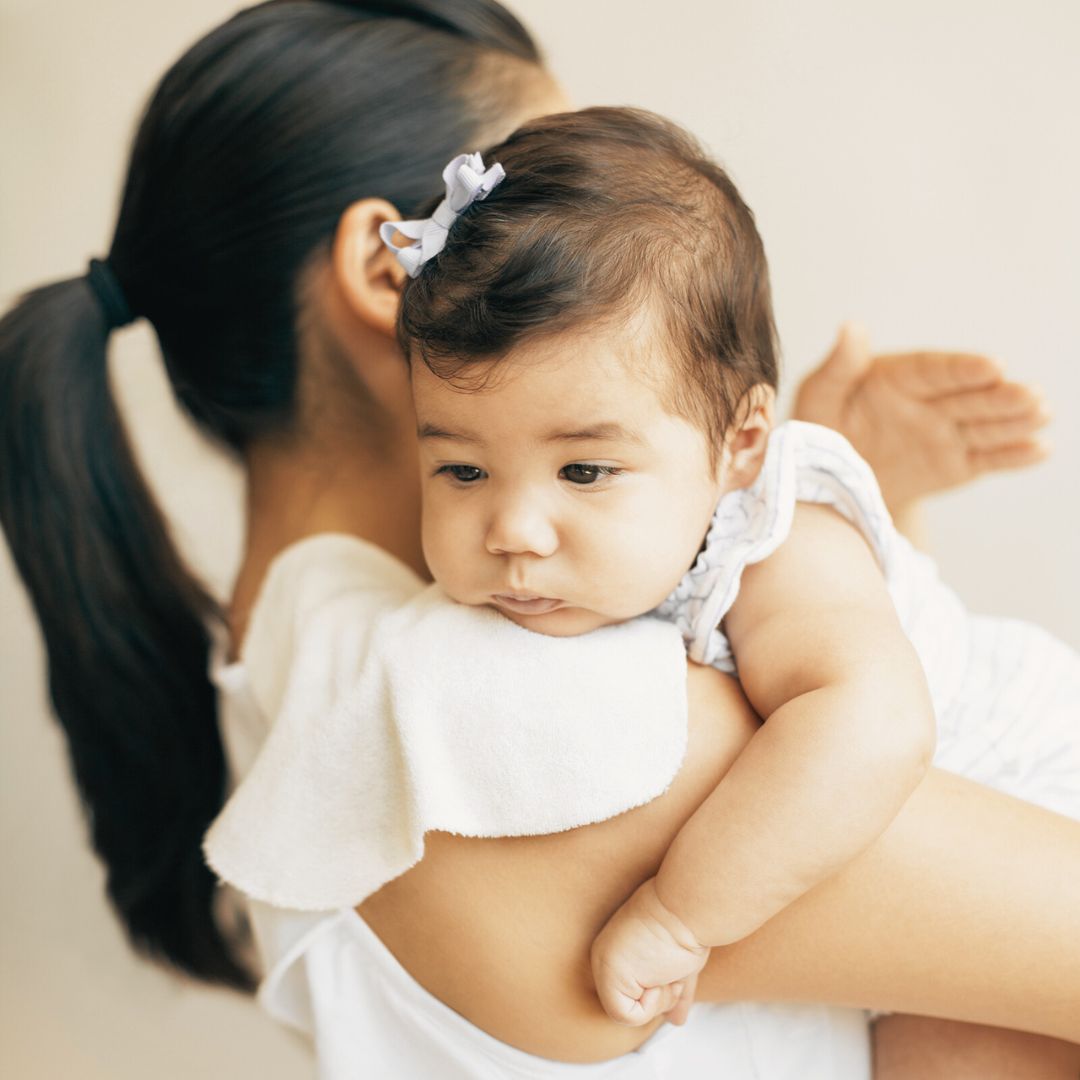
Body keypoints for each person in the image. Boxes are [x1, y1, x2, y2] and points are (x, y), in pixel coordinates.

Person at [0, 2, 1075, 1077]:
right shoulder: (504, 714)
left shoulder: (289, 687)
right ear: (392, 276)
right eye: (528, 190)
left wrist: (835, 528)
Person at [373, 105, 1080, 1042]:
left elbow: (875, 726)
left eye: (584, 471)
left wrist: (679, 914)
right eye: (462, 470)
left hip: (1022, 788)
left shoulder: (775, 541)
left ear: (742, 442)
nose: (513, 530)